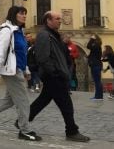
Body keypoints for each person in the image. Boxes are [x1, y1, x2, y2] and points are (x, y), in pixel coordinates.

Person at [0, 5, 41, 142]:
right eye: (21, 13)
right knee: (23, 101)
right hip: (11, 71)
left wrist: (26, 70)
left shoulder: (18, 31)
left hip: (18, 69)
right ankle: (25, 130)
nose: (24, 16)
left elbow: (21, 54)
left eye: (25, 14)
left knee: (9, 100)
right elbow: (0, 51)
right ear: (14, 15)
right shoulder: (7, 31)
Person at [29, 11, 89, 143]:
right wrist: (55, 72)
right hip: (53, 76)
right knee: (66, 104)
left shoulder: (54, 35)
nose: (60, 21)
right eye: (57, 19)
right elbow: (42, 58)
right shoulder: (44, 35)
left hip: (56, 75)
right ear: (48, 21)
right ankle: (72, 131)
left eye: (60, 19)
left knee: (42, 100)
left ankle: (22, 120)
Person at [87, 33, 103, 100]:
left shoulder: (96, 45)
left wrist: (91, 39)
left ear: (95, 38)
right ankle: (99, 96)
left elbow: (88, 46)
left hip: (95, 65)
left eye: (92, 37)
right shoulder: (97, 45)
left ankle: (98, 97)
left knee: (97, 81)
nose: (91, 37)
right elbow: (92, 52)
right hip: (96, 64)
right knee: (97, 81)